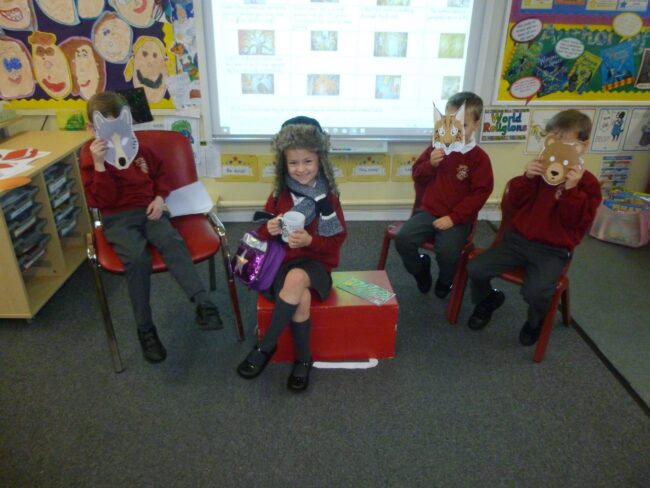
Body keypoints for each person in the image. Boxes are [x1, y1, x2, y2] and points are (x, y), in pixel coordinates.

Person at [80, 91, 223, 364]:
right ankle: (145, 329)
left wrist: (159, 198)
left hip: (150, 210)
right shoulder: (90, 157)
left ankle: (202, 302)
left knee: (171, 241)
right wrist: (99, 166)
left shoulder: (141, 149)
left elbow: (161, 177)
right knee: (137, 259)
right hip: (117, 218)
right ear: (92, 128)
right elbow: (101, 200)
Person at [466, 109, 602, 346]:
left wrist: (571, 190)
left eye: (567, 144)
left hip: (553, 250)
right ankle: (488, 299)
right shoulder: (539, 171)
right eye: (553, 142)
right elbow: (512, 205)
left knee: (536, 292)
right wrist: (527, 178)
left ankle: (535, 322)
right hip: (518, 241)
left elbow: (574, 222)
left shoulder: (588, 184)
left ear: (582, 146)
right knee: (476, 268)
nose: (558, 150)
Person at [236, 116, 347, 392]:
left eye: (308, 161)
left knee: (298, 279)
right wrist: (269, 228)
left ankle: (265, 346)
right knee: (301, 296)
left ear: (320, 160)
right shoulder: (279, 194)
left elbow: (336, 241)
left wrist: (310, 241)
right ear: (283, 164)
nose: (301, 169)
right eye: (293, 163)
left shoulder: (328, 199)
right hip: (282, 264)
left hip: (317, 263)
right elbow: (261, 234)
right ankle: (304, 359)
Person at [395, 92, 493, 298]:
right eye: (450, 124)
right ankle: (420, 269)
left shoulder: (478, 158)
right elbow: (417, 174)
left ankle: (446, 280)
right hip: (429, 211)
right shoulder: (436, 148)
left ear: (476, 125)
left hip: (457, 218)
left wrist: (454, 218)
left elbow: (480, 193)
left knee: (447, 252)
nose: (455, 131)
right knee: (403, 239)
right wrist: (430, 164)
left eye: (463, 125)